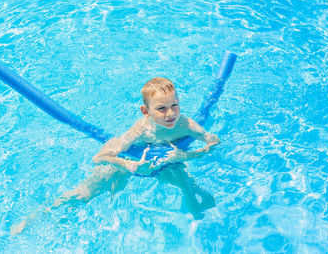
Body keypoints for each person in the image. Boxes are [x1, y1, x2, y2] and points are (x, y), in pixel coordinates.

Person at [11, 77, 219, 235]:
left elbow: (213, 142)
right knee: (83, 194)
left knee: (187, 188)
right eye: (161, 109)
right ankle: (34, 217)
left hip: (167, 163)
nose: (170, 113)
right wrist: (129, 166)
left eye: (174, 105)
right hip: (130, 161)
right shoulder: (139, 131)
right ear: (145, 111)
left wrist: (185, 155)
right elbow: (100, 157)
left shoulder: (186, 125)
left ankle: (200, 222)